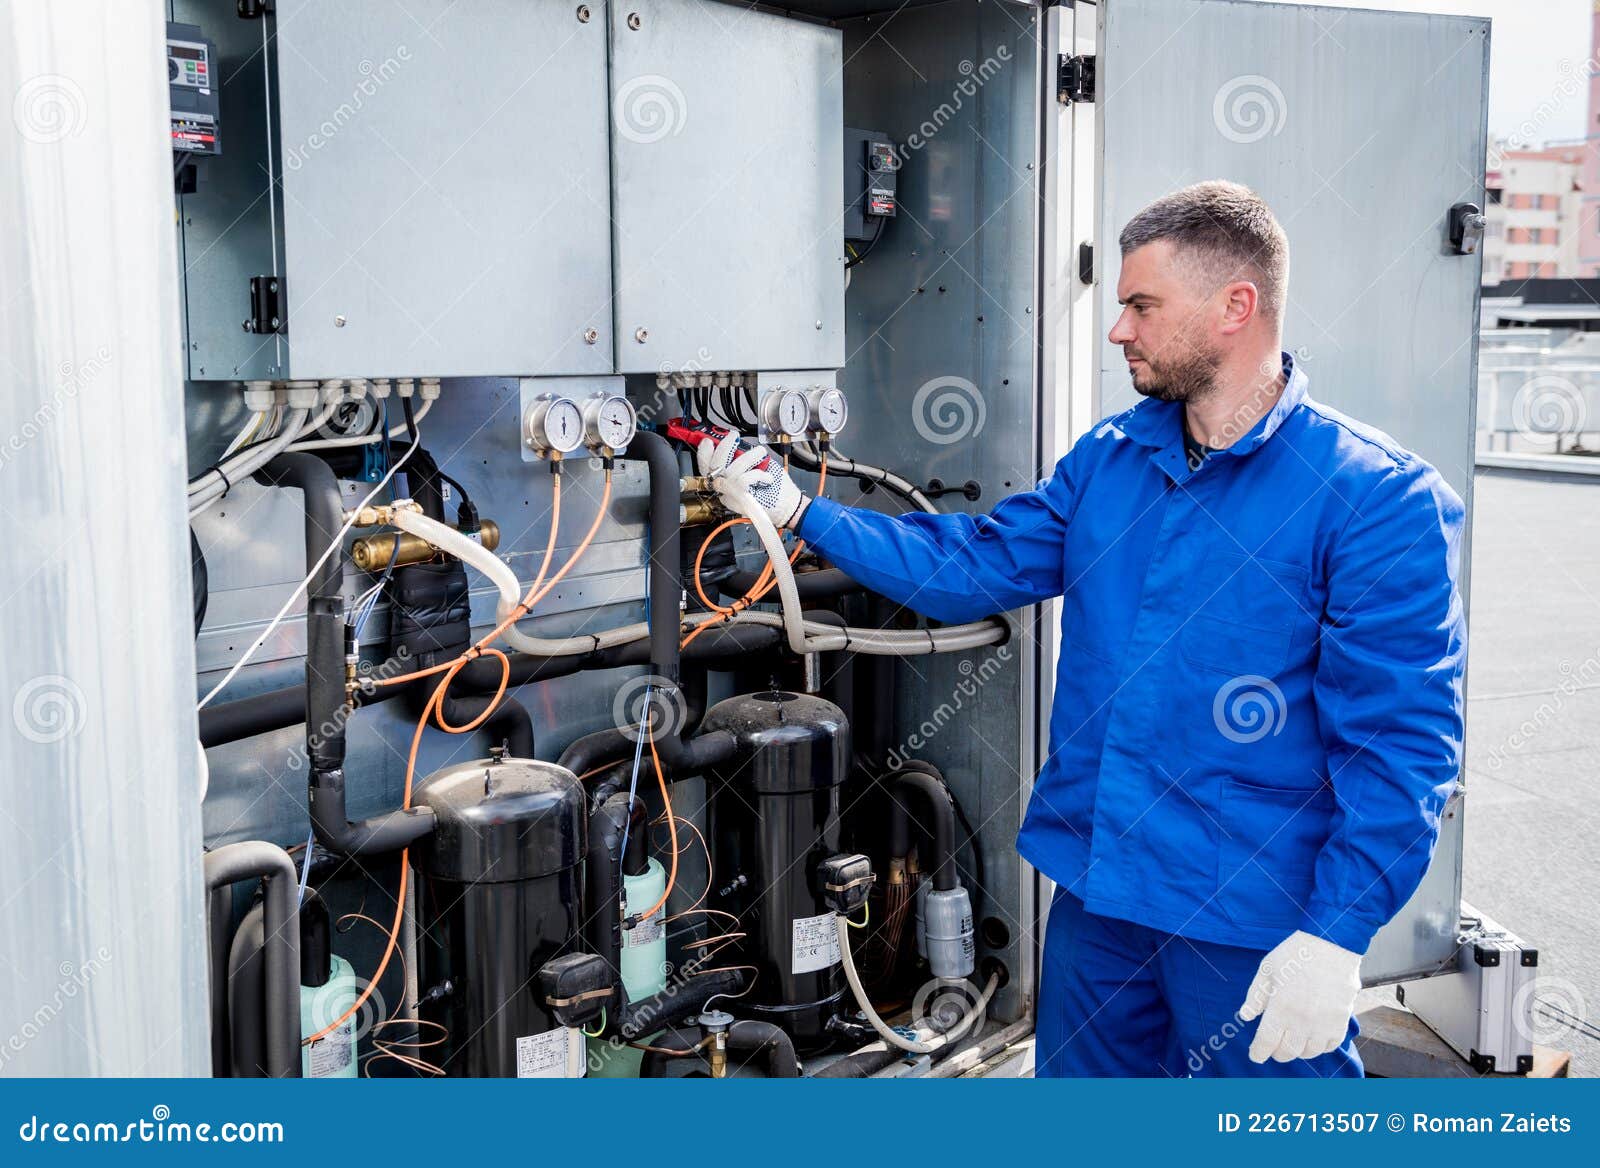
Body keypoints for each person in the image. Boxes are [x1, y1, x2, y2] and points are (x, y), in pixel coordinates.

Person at [697, 180, 1467, 1077]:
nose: (1118, 331)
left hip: (1254, 923)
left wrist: (1336, 937)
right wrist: (800, 511)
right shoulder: (1114, 459)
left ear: (1236, 307)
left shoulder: (1373, 497)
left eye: (1142, 306)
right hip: (1103, 903)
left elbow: (1401, 747)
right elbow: (975, 563)